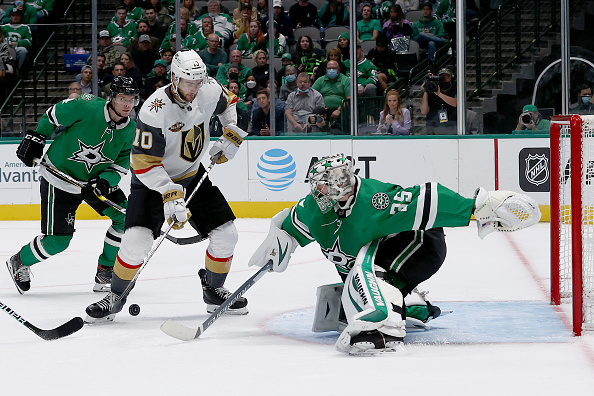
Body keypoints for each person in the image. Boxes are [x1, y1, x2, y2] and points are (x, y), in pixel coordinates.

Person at [248, 153, 541, 355]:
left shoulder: (375, 200)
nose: (318, 191)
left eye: (324, 184)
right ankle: (411, 304)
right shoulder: (313, 208)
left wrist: (478, 207)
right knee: (343, 303)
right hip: (385, 253)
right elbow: (290, 224)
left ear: (341, 185)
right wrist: (280, 242)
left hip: (422, 244)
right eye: (317, 185)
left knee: (367, 269)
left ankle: (383, 327)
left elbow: (427, 198)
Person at [85, 49, 249, 322]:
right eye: (188, 83)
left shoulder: (207, 89)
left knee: (227, 235)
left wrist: (231, 131)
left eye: (198, 82)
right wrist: (170, 195)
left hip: (192, 175)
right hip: (151, 182)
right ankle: (115, 296)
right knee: (136, 242)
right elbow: (143, 164)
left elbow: (228, 103)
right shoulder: (154, 109)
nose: (194, 89)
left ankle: (214, 290)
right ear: (174, 78)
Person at [6, 77, 139, 295]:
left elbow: (119, 167)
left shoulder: (130, 129)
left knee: (125, 219)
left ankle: (105, 270)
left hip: (93, 183)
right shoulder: (87, 106)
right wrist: (38, 136)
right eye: (122, 98)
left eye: (131, 100)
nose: (127, 104)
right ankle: (20, 261)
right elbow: (53, 115)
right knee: (58, 241)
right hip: (59, 179)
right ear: (112, 98)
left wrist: (105, 183)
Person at [312, 60, 350, 129]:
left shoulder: (346, 80)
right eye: (329, 68)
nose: (331, 70)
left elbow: (349, 98)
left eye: (334, 68)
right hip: (323, 110)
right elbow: (311, 95)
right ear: (326, 70)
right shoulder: (320, 80)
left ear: (339, 69)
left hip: (341, 111)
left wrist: (339, 110)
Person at [420, 67, 457, 134]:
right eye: (442, 77)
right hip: (433, 128)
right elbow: (424, 111)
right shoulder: (432, 90)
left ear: (452, 78)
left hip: (451, 127)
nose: (444, 79)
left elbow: (456, 103)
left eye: (447, 76)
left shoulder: (455, 89)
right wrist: (426, 90)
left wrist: (439, 94)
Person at [411, 2, 447, 66]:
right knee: (422, 34)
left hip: (434, 43)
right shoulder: (415, 24)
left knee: (431, 43)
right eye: (424, 9)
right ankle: (440, 40)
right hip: (420, 43)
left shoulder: (437, 22)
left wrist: (431, 36)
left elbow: (442, 33)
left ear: (431, 11)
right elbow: (414, 38)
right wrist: (425, 35)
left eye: (427, 9)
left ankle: (432, 63)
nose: (425, 11)